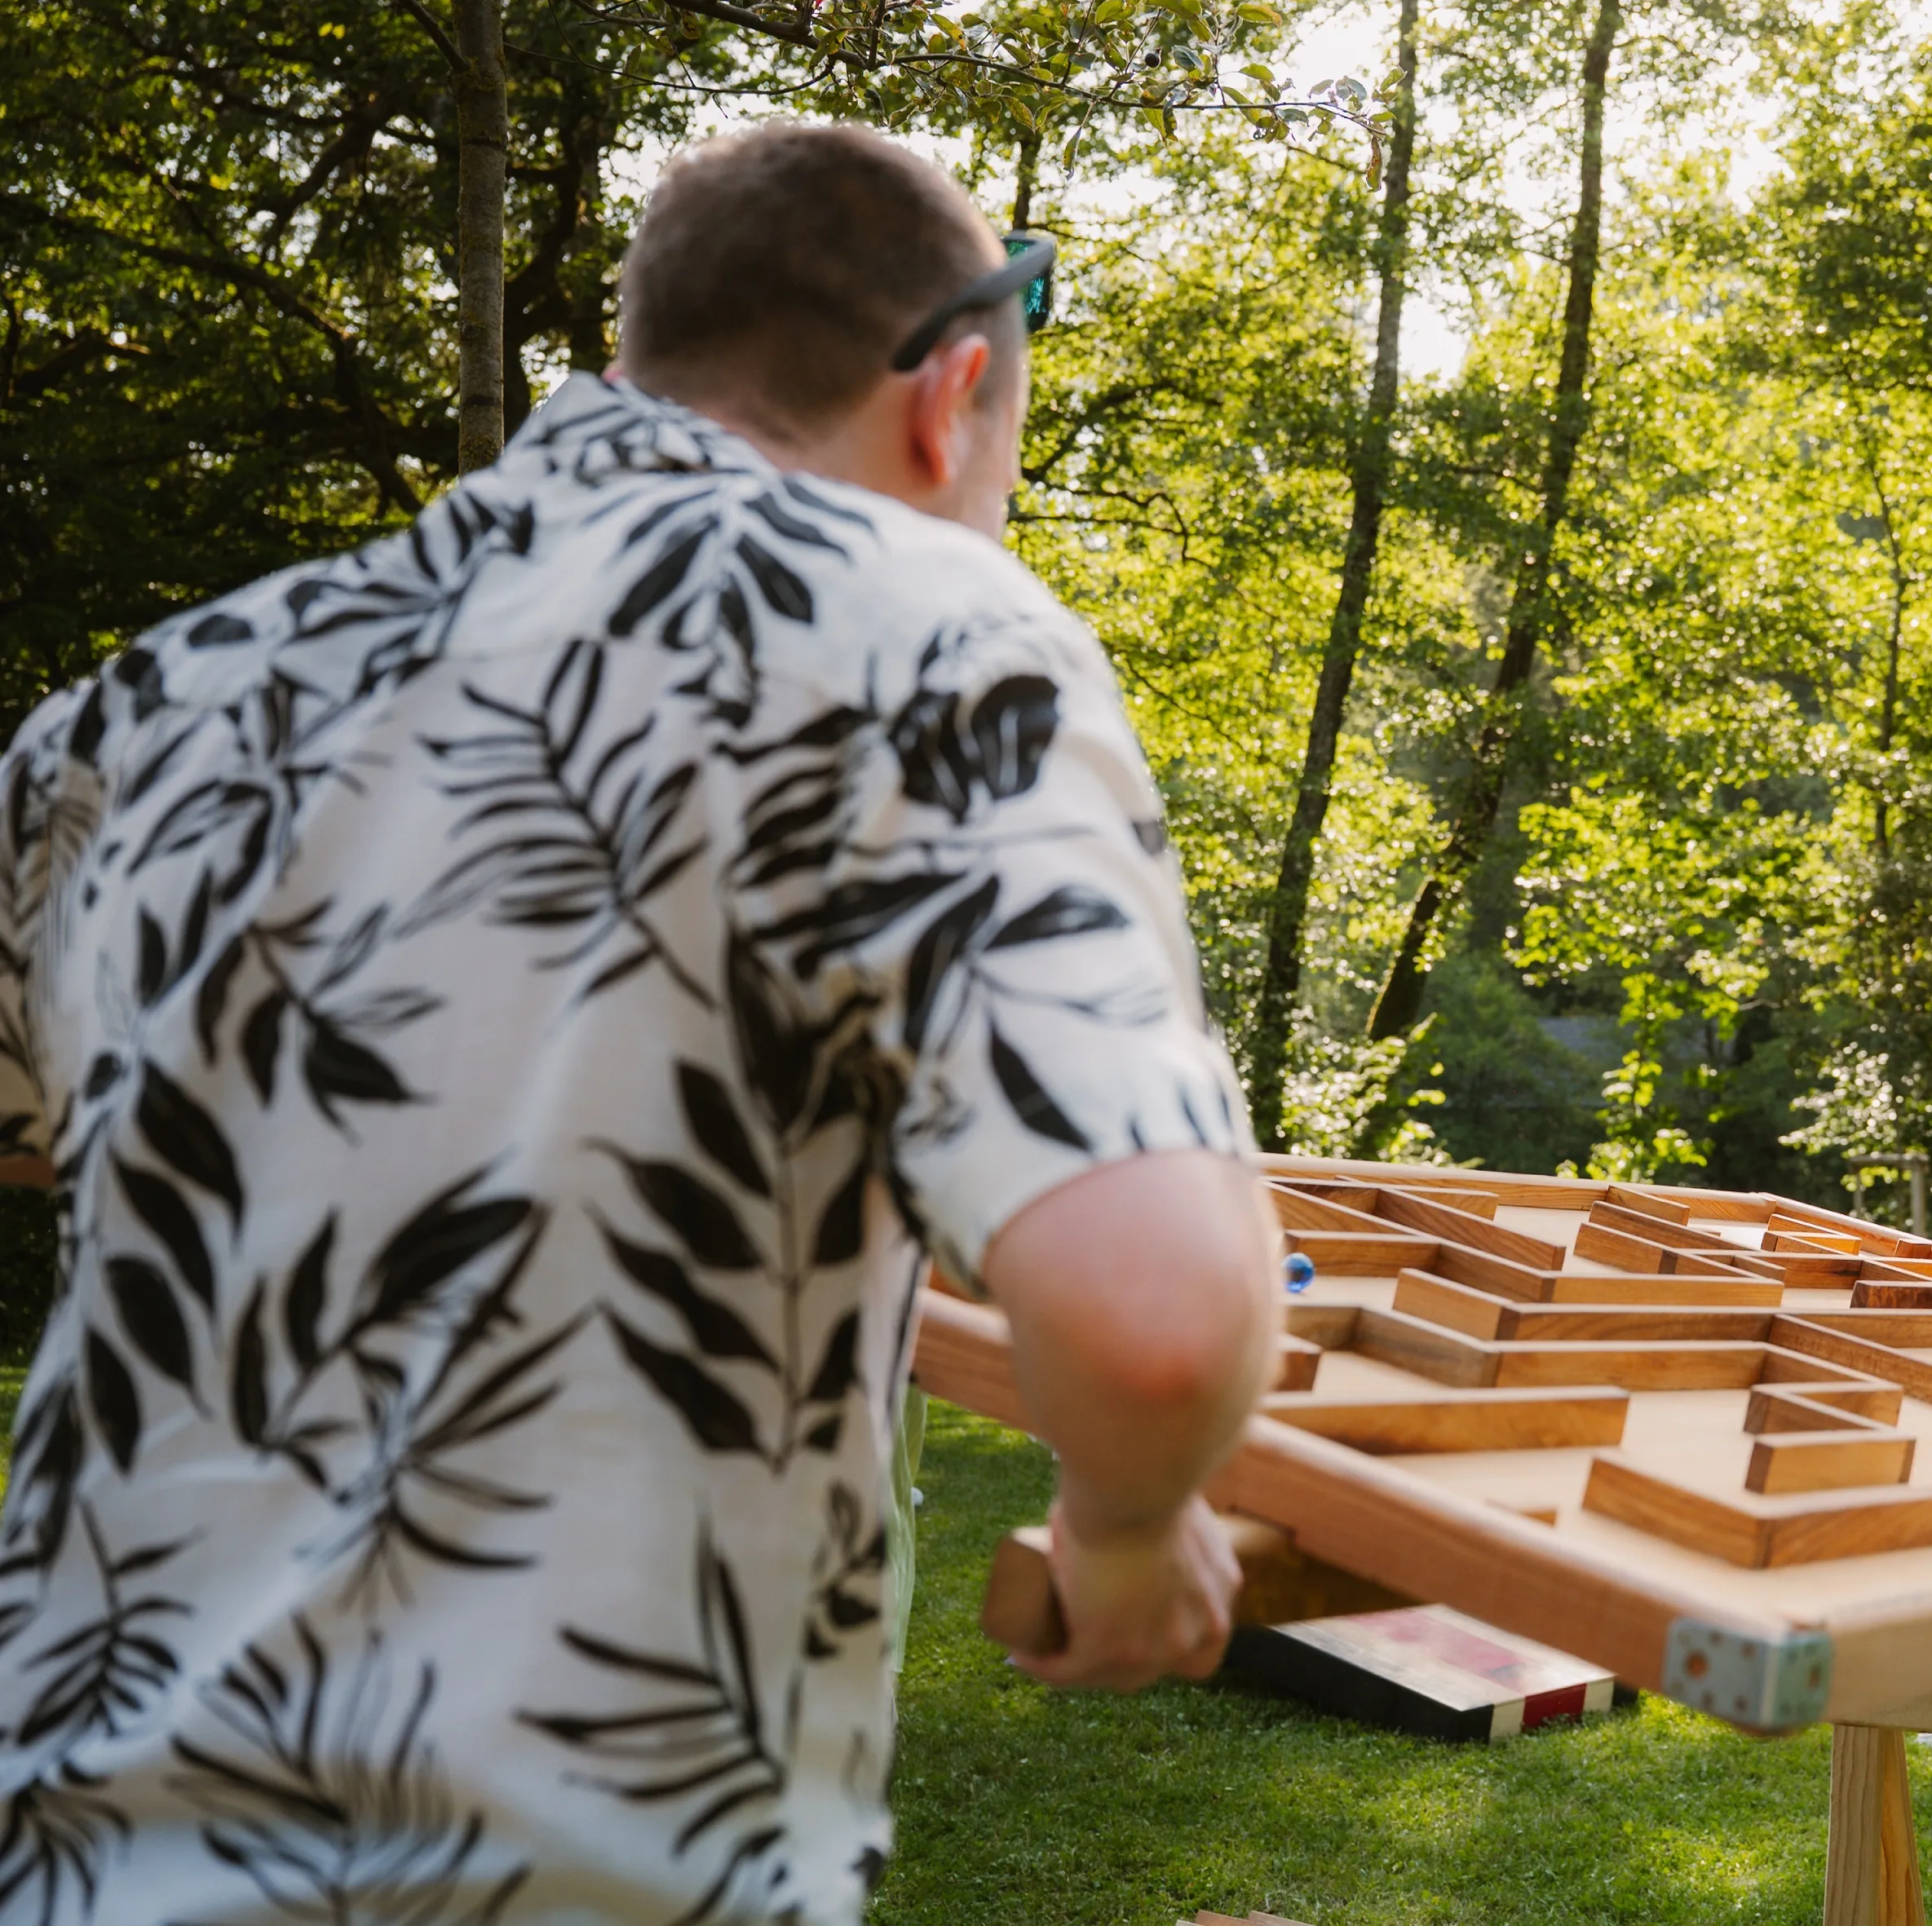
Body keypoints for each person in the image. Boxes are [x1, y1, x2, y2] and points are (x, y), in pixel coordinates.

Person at [0, 121, 1280, 1920]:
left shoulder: (145, 713)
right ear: (955, 394)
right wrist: (1132, 1531)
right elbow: (1155, 1319)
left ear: (639, 365)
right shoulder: (922, 633)